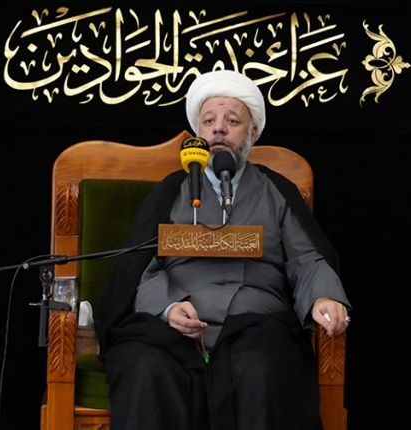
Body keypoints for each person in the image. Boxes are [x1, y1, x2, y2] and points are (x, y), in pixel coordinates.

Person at [94, 70, 351, 430]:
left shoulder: (276, 190)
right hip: (174, 328)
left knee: (264, 368)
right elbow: (139, 263)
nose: (219, 129)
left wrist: (324, 297)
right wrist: (167, 307)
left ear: (252, 133)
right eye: (209, 121)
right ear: (198, 133)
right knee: (143, 367)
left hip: (255, 325)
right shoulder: (172, 190)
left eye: (232, 121)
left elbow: (306, 258)